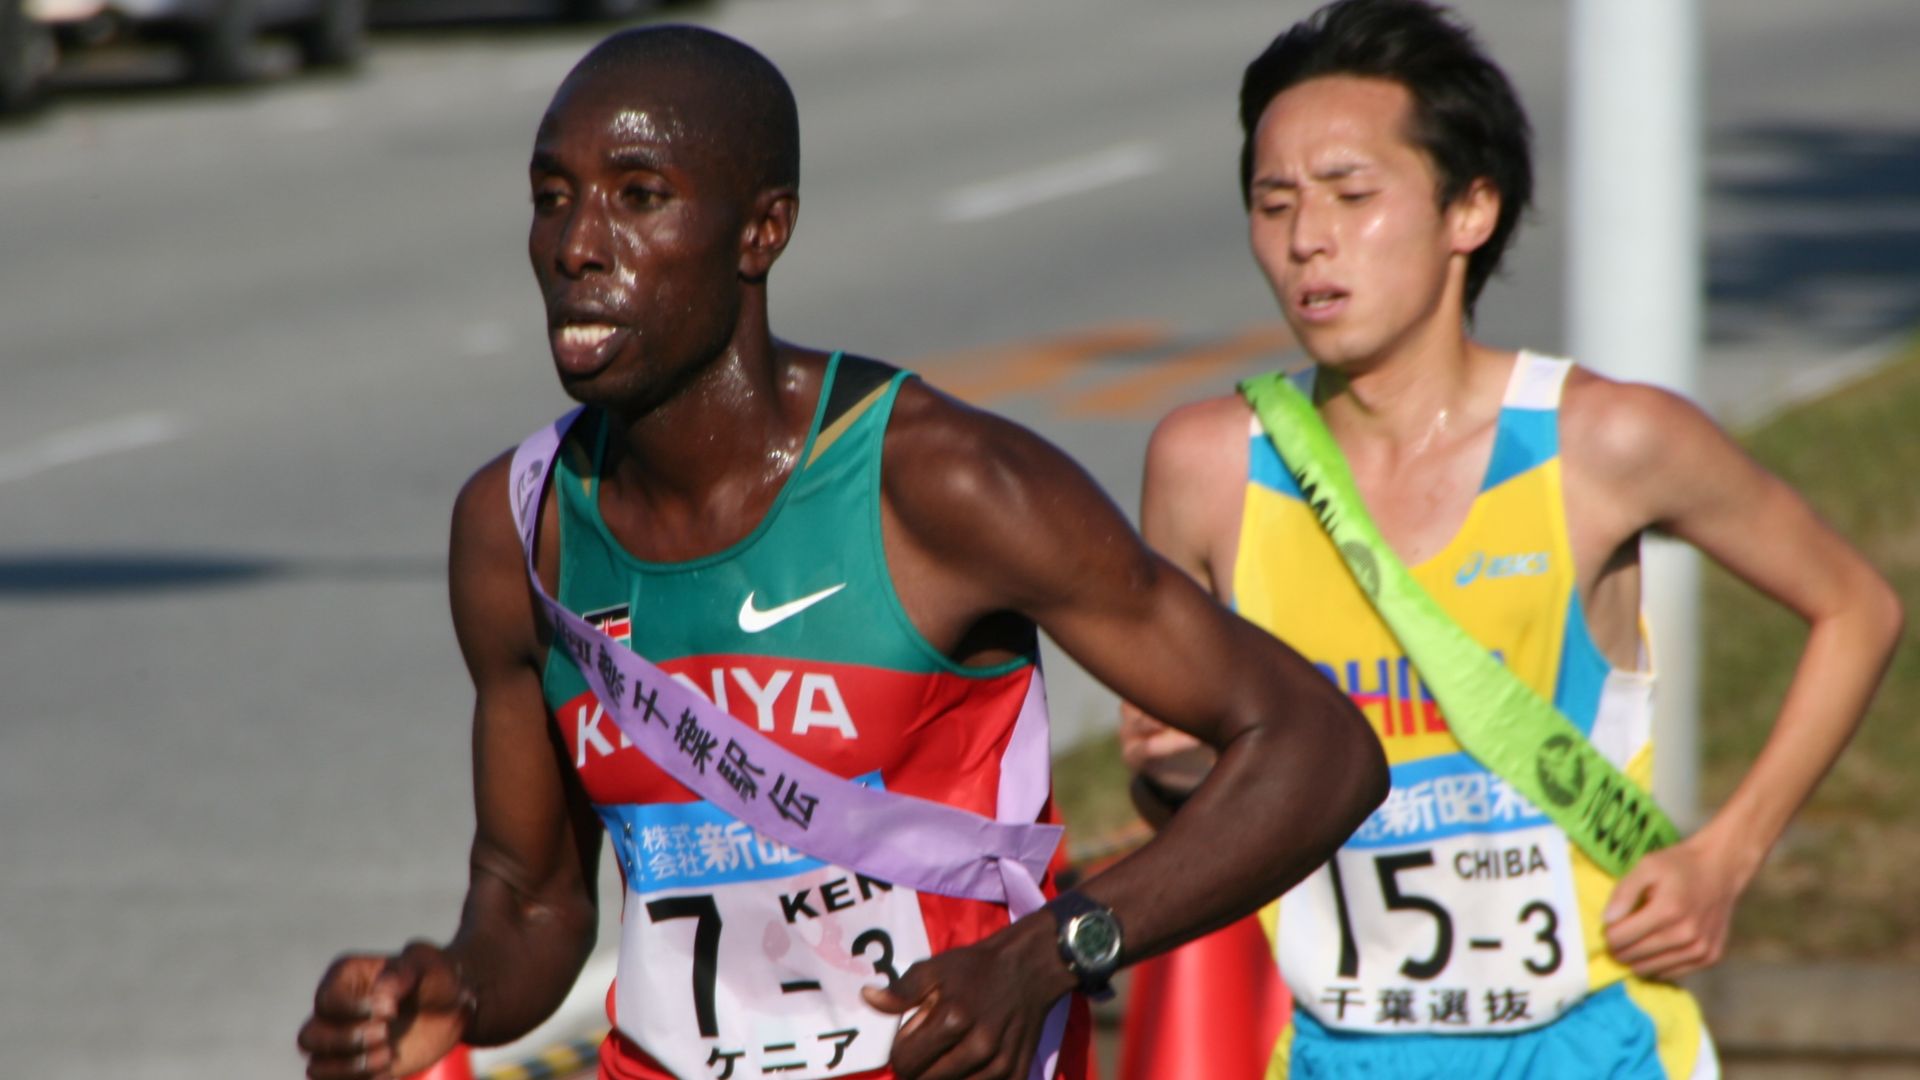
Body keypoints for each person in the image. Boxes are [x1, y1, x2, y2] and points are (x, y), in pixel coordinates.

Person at [296, 24, 1389, 1080]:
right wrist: (454, 989)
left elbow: (1317, 751)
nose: (579, 245)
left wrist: (1044, 957)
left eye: (639, 198)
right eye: (552, 197)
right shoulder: (518, 529)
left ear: (761, 231)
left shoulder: (938, 485)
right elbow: (531, 900)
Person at [1119, 1, 1905, 1077]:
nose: (1309, 239)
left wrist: (1728, 856)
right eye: (1275, 202)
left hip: (1593, 1042)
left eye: (1353, 195)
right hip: (1338, 1051)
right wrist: (1175, 778)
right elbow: (1176, 786)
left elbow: (1857, 607)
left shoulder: (1604, 441)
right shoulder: (1207, 469)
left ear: (1469, 210)